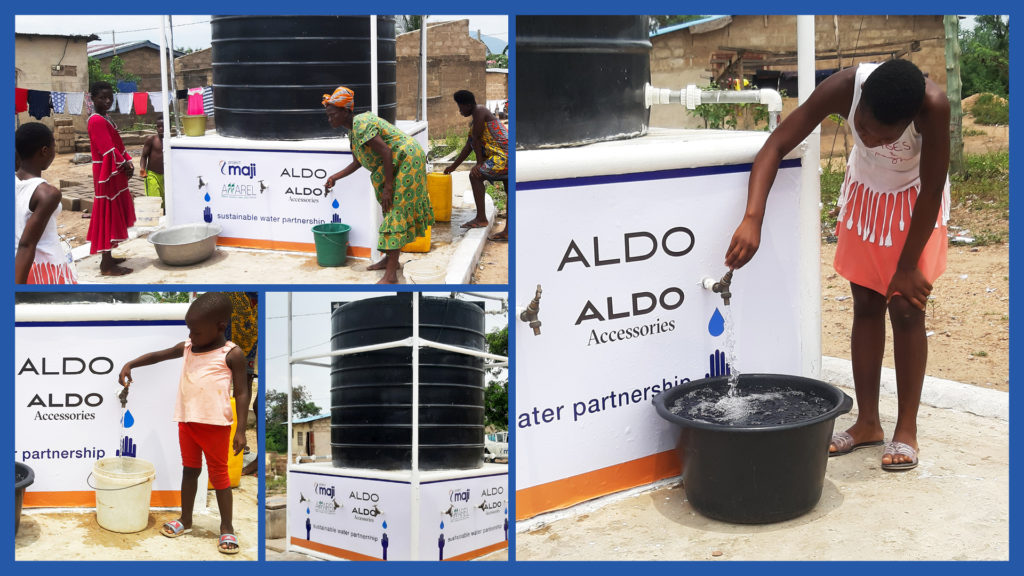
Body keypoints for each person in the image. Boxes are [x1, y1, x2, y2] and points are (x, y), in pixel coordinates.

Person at [724, 59, 950, 472]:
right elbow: (775, 144)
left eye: (882, 137)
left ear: (908, 121)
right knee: (865, 303)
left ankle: (907, 429)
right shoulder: (845, 87)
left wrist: (906, 265)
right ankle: (867, 423)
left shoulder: (934, 106)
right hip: (867, 196)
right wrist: (753, 217)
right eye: (861, 127)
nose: (866, 137)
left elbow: (933, 187)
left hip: (915, 205)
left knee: (905, 307)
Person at [118, 292, 251, 553]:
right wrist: (131, 363)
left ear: (220, 326)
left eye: (197, 332)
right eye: (189, 330)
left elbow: (243, 392)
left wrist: (241, 430)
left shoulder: (232, 354)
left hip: (215, 426)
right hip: (187, 423)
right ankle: (186, 520)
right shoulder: (188, 348)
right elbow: (159, 355)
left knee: (220, 476)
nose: (191, 336)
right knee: (189, 471)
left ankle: (227, 529)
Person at [322, 86, 434, 284]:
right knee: (391, 211)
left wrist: (389, 187)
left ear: (346, 110)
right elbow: (358, 162)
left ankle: (390, 275)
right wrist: (335, 177)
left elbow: (386, 152)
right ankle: (389, 262)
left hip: (407, 161)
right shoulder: (353, 133)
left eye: (332, 115)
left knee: (395, 212)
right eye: (328, 116)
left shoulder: (362, 123)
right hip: (396, 164)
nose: (329, 119)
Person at [15, 122, 77, 284]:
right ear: (45, 151)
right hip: (42, 270)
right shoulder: (47, 193)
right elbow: (27, 245)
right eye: (53, 147)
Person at [444, 90, 509, 238]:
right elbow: (469, 146)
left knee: (475, 176)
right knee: (508, 189)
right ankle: (507, 231)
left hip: (505, 155)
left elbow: (476, 138)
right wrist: (453, 167)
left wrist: (479, 164)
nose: (460, 111)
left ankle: (481, 218)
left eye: (461, 108)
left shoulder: (480, 110)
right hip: (503, 156)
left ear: (468, 104)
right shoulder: (476, 119)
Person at [87, 81, 136, 276]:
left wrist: (127, 161)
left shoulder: (105, 118)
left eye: (110, 98)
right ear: (93, 99)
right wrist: (123, 163)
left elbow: (117, 145)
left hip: (113, 170)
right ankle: (106, 265)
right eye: (102, 98)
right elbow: (107, 149)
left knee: (112, 210)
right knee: (107, 212)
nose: (107, 101)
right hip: (106, 172)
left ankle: (108, 258)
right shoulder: (96, 120)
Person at [140, 119, 165, 210]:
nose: (161, 129)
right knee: (155, 201)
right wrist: (142, 168)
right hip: (152, 174)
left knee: (165, 203)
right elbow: (144, 156)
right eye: (159, 127)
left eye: (163, 126)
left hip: (166, 176)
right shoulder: (151, 140)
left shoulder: (170, 141)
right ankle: (155, 221)